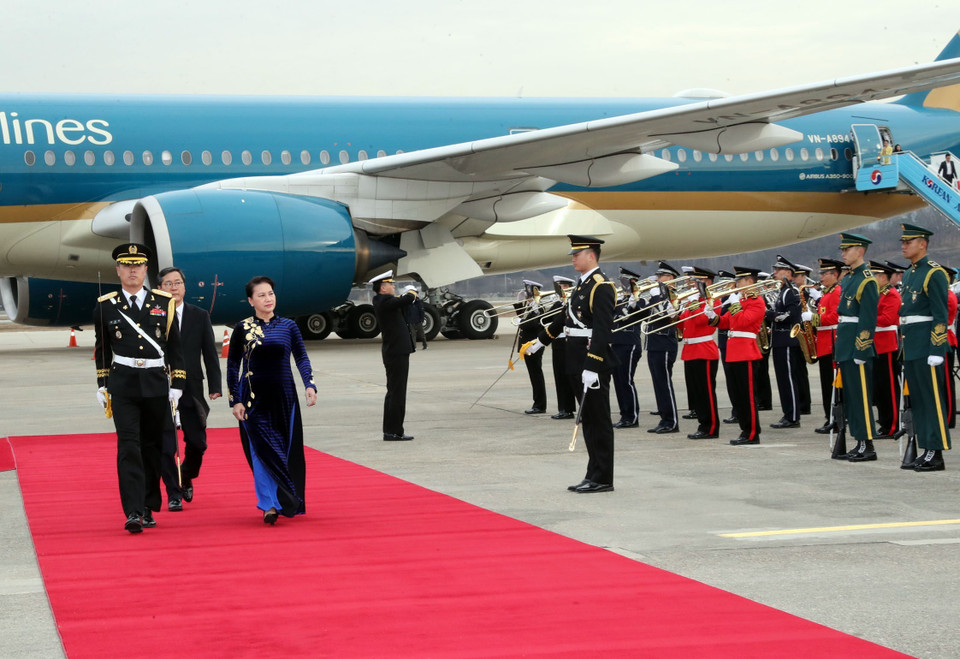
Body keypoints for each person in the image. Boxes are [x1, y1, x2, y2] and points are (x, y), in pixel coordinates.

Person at [93, 243, 185, 533]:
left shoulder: (164, 302)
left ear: (146, 269)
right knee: (128, 446)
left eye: (138, 265)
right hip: (123, 385)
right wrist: (102, 383)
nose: (133, 270)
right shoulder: (105, 304)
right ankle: (133, 511)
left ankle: (148, 505)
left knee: (152, 447)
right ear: (118, 270)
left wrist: (178, 383)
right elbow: (103, 348)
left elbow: (174, 346)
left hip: (156, 383)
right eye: (127, 265)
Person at [521, 235, 618, 493]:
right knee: (587, 420)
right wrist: (541, 342)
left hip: (590, 362)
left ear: (591, 255)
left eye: (577, 254)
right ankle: (593, 473)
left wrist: (593, 364)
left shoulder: (602, 286)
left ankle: (603, 478)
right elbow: (565, 319)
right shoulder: (581, 286)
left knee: (598, 420)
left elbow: (602, 330)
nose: (573, 258)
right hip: (575, 359)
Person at [227, 276, 317, 524]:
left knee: (284, 449)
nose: (268, 299)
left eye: (270, 294)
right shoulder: (242, 328)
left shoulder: (289, 326)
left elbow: (301, 357)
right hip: (253, 399)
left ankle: (285, 498)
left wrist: (309, 384)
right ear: (250, 300)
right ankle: (268, 504)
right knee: (260, 451)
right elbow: (233, 365)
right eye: (261, 295)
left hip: (284, 397)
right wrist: (235, 400)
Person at [156, 267, 222, 511]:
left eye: (178, 283)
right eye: (168, 284)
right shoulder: (154, 315)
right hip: (162, 386)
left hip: (192, 387)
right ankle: (174, 491)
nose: (174, 287)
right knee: (167, 443)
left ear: (184, 286)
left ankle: (186, 474)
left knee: (198, 442)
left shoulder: (199, 315)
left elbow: (209, 352)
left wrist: (215, 385)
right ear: (160, 288)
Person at [898, 223, 951, 471]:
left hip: (927, 345)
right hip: (912, 344)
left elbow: (941, 315)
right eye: (903, 242)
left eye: (909, 242)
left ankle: (936, 451)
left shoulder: (934, 273)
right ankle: (926, 448)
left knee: (932, 400)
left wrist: (937, 349)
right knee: (918, 400)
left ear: (923, 243)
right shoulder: (909, 274)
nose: (904, 246)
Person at [706, 267, 765, 445]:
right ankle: (744, 430)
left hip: (746, 351)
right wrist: (713, 317)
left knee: (747, 396)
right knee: (738, 396)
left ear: (750, 282)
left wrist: (735, 305)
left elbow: (743, 321)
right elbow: (728, 322)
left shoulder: (757, 302)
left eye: (740, 281)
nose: (736, 284)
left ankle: (752, 433)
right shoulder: (741, 300)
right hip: (733, 351)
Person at [833, 234, 879, 462]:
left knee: (861, 398)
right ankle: (859, 441)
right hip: (845, 344)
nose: (843, 253)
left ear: (860, 251)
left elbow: (868, 319)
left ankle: (867, 444)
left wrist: (861, 349)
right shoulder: (849, 278)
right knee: (851, 398)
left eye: (847, 249)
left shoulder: (867, 280)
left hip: (856, 347)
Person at [370, 270, 418, 441]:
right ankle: (392, 431)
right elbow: (407, 299)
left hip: (397, 351)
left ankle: (395, 430)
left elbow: (404, 303)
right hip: (395, 352)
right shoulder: (383, 301)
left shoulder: (386, 301)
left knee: (396, 391)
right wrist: (412, 291)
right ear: (383, 288)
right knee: (396, 392)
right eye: (390, 284)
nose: (393, 286)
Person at [679, 266, 720, 439]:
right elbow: (684, 326)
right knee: (696, 392)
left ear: (707, 282)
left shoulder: (712, 300)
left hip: (704, 350)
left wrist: (695, 304)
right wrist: (674, 314)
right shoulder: (693, 300)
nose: (692, 284)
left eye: (697, 281)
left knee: (706, 392)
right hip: (691, 350)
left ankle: (710, 427)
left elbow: (703, 320)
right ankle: (703, 424)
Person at [806, 258, 843, 434]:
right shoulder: (827, 293)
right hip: (824, 343)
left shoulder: (836, 292)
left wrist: (812, 318)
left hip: (832, 343)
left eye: (824, 273)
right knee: (826, 384)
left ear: (834, 275)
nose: (820, 277)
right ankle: (830, 418)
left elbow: (835, 317)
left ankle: (835, 420)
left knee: (832, 385)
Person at [766, 256, 803, 429]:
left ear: (788, 272)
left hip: (787, 340)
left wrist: (770, 315)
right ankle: (788, 413)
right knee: (782, 380)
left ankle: (793, 416)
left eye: (778, 270)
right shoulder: (783, 290)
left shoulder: (790, 291)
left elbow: (792, 315)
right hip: (779, 341)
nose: (774, 273)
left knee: (788, 379)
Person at [645, 261, 682, 434]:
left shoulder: (674, 295)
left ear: (671, 278)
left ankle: (671, 421)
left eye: (661, 276)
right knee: (658, 383)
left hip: (665, 343)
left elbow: (672, 315)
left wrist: (658, 297)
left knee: (664, 383)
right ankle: (664, 418)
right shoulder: (658, 294)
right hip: (653, 343)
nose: (658, 279)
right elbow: (645, 314)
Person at [868, 261, 901, 439]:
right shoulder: (878, 294)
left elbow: (887, 319)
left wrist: (867, 316)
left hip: (887, 344)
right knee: (879, 389)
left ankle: (893, 425)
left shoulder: (891, 295)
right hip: (876, 343)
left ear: (883, 277)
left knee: (888, 388)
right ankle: (884, 422)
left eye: (875, 276)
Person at [610, 267, 644, 428]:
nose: (621, 284)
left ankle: (632, 416)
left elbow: (642, 315)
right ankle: (624, 414)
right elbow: (613, 318)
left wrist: (632, 306)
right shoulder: (619, 299)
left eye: (625, 281)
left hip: (630, 344)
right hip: (616, 343)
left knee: (626, 380)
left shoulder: (640, 300)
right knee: (618, 380)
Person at [516, 280, 548, 415]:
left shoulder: (538, 307)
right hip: (528, 345)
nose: (526, 293)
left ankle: (540, 404)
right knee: (533, 375)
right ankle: (537, 403)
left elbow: (535, 324)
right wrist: (519, 302)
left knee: (536, 375)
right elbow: (520, 315)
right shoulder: (530, 306)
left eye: (528, 291)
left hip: (534, 345)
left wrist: (522, 323)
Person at [549, 276, 576, 420]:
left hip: (567, 342)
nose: (559, 290)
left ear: (567, 287)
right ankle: (563, 408)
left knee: (568, 377)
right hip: (557, 343)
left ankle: (568, 409)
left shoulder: (571, 303)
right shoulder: (559, 303)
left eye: (562, 287)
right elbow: (546, 319)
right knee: (559, 377)